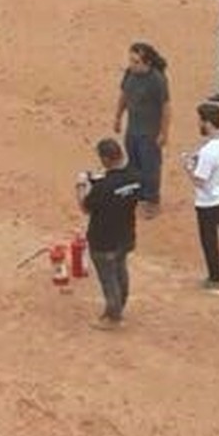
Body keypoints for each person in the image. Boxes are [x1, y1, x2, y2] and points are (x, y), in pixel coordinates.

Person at [76, 138, 141, 325]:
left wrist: (81, 186)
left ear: (105, 159)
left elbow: (85, 207)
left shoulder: (103, 188)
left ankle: (113, 317)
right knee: (120, 271)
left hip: (103, 241)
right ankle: (119, 306)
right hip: (126, 236)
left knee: (108, 279)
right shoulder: (134, 176)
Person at [181, 102, 219, 293]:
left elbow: (199, 181)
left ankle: (215, 281)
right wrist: (197, 155)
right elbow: (213, 148)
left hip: (208, 202)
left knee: (209, 240)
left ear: (207, 123)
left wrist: (188, 167)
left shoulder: (209, 153)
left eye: (200, 120)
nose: (198, 124)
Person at [115, 42, 170, 215]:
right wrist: (117, 116)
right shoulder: (129, 73)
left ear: (147, 63)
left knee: (150, 167)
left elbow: (166, 108)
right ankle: (138, 195)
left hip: (149, 133)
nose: (131, 65)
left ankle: (152, 201)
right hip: (133, 129)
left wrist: (163, 133)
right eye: (131, 60)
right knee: (134, 164)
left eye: (136, 61)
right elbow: (124, 95)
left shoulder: (157, 80)